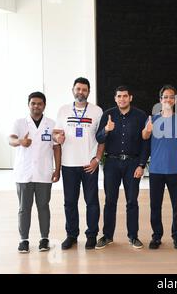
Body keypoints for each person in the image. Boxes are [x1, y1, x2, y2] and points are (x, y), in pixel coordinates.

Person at [95, 85, 149, 250]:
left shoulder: (140, 116)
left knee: (132, 201)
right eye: (119, 96)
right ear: (115, 98)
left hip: (133, 164)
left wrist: (141, 165)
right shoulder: (107, 115)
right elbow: (99, 138)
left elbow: (145, 143)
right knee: (110, 201)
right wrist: (106, 129)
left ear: (130, 98)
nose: (122, 99)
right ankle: (107, 236)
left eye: (125, 96)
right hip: (112, 163)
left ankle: (133, 236)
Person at [53, 77, 104, 250]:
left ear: (88, 92)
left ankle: (91, 235)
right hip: (68, 164)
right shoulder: (63, 110)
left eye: (84, 89)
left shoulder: (97, 111)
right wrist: (56, 137)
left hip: (89, 165)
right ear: (73, 90)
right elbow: (56, 134)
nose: (80, 92)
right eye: (78, 89)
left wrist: (97, 159)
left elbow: (102, 138)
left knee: (92, 202)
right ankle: (72, 235)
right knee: (70, 202)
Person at [9, 92, 61, 253]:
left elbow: (56, 147)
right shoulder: (20, 123)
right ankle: (23, 240)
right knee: (24, 208)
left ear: (44, 105)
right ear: (28, 104)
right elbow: (11, 139)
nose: (36, 106)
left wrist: (57, 169)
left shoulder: (51, 124)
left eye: (39, 103)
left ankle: (44, 239)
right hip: (24, 173)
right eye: (33, 103)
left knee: (43, 206)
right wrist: (20, 141)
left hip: (44, 172)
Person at [142, 85, 177, 250]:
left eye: (171, 97)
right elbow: (144, 136)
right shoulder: (152, 119)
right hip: (156, 171)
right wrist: (147, 131)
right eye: (165, 97)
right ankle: (156, 236)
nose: (168, 99)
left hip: (175, 171)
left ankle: (176, 236)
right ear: (160, 100)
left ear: (174, 100)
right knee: (155, 206)